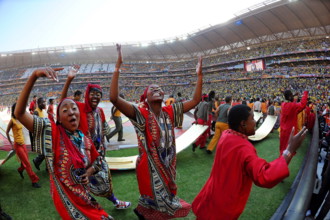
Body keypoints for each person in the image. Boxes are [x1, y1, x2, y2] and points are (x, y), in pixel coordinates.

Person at [110, 44, 203, 219]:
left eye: (159, 88)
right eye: (152, 89)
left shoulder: (170, 111)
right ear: (145, 97)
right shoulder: (141, 113)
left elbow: (196, 99)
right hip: (149, 166)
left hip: (168, 163)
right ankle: (147, 213)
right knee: (154, 197)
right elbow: (114, 98)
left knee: (165, 195)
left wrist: (199, 76)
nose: (157, 89)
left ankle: (142, 213)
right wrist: (117, 66)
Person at [14, 67, 114, 220]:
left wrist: (88, 172)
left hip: (85, 197)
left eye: (74, 109)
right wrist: (34, 76)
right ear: (59, 119)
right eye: (65, 110)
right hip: (67, 200)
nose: (71, 112)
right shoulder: (53, 133)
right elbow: (19, 113)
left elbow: (98, 160)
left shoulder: (85, 139)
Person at [192, 105, 308, 220]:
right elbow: (264, 176)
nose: (255, 122)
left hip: (210, 198)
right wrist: (289, 150)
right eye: (252, 118)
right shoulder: (243, 147)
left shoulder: (226, 135)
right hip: (222, 209)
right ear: (243, 124)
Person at [61, 65, 131, 210]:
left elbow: (103, 132)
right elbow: (62, 103)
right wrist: (69, 79)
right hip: (80, 156)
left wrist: (102, 150)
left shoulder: (99, 111)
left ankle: (112, 202)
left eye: (99, 94)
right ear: (87, 94)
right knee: (82, 185)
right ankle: (97, 208)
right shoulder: (79, 108)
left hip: (97, 156)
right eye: (93, 93)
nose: (96, 96)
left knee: (105, 181)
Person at [6, 103, 41, 188]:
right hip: (17, 145)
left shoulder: (20, 119)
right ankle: (34, 181)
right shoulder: (12, 120)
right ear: (14, 110)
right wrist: (11, 143)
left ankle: (20, 170)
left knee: (24, 163)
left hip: (23, 144)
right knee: (28, 164)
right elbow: (7, 131)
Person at [279, 90, 308, 155]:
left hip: (283, 130)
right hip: (290, 131)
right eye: (292, 95)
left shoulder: (283, 104)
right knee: (288, 151)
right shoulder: (293, 106)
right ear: (289, 97)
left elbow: (291, 103)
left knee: (282, 149)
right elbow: (302, 105)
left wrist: (294, 95)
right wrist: (305, 93)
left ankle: (281, 162)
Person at [32, 97, 47, 171]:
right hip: (40, 135)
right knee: (46, 150)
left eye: (45, 102)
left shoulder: (42, 111)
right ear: (39, 103)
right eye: (43, 102)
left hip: (44, 133)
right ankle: (37, 160)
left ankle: (38, 161)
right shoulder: (36, 112)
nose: (44, 103)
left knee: (47, 150)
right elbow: (35, 125)